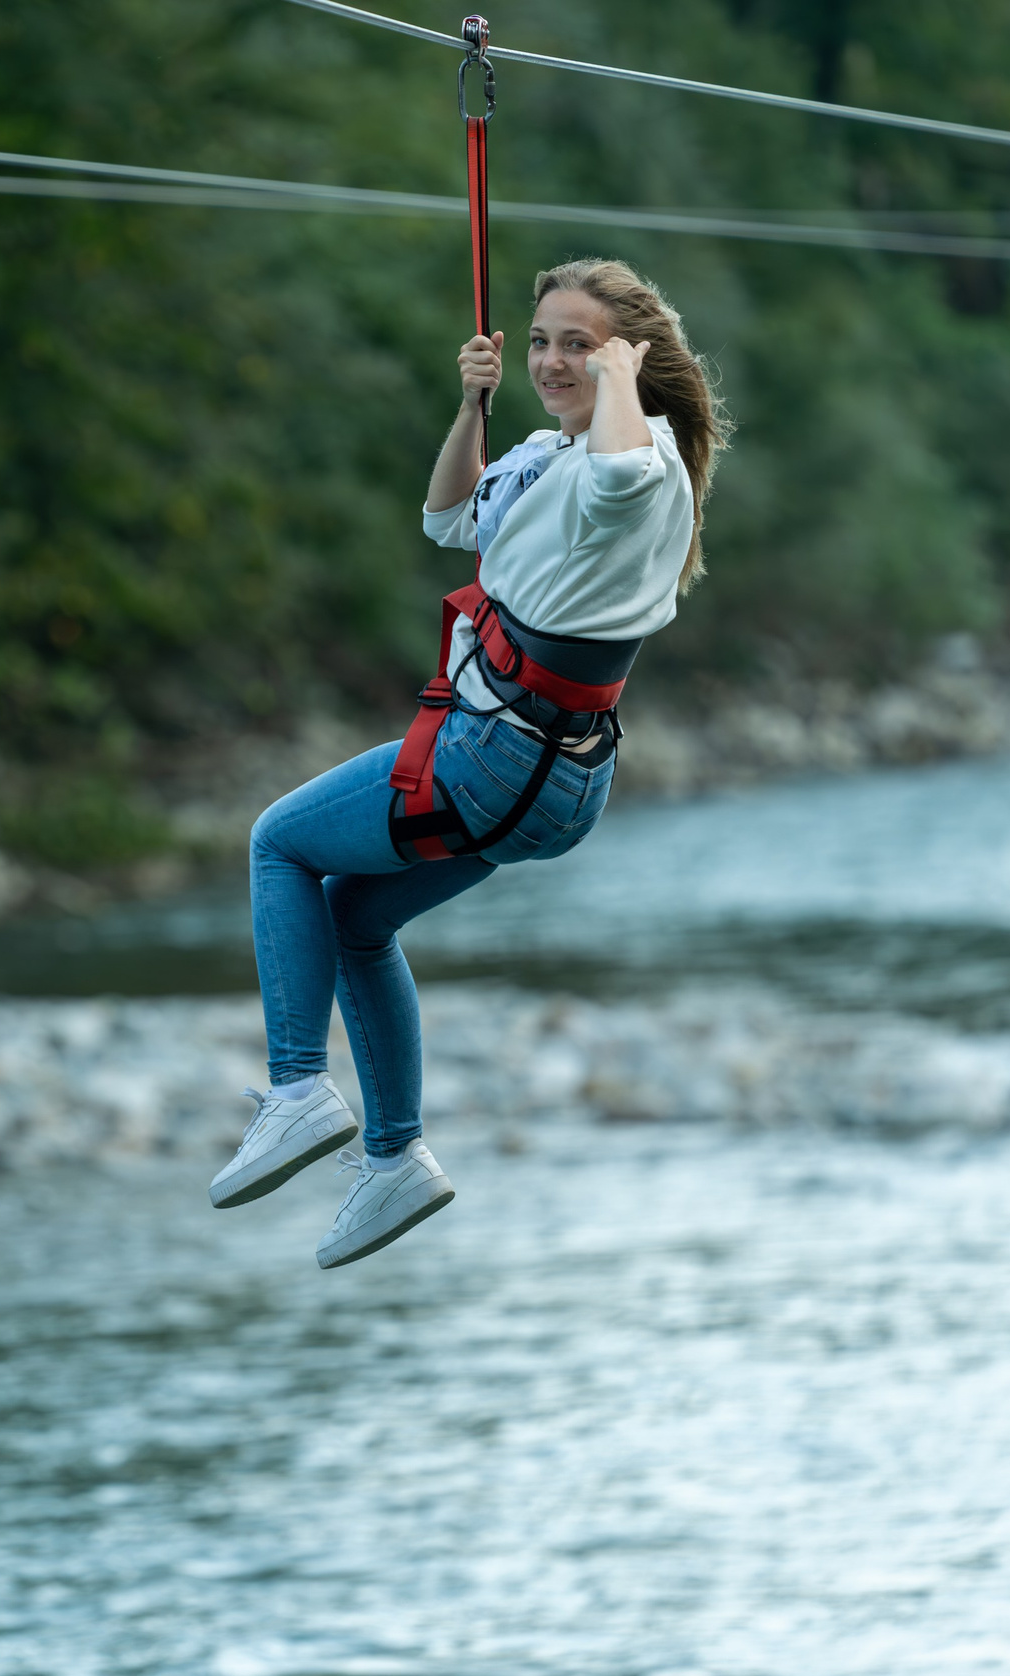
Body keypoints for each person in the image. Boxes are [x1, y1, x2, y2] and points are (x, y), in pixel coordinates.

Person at [209, 257, 728, 1268]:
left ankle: (295, 1089)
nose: (551, 361)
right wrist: (471, 405)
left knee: (278, 844)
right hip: (547, 779)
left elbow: (618, 475)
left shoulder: (644, 463)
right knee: (356, 920)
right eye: (540, 341)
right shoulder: (547, 453)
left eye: (577, 344)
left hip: (495, 757)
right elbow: (449, 520)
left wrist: (621, 379)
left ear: (629, 358)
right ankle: (396, 1158)